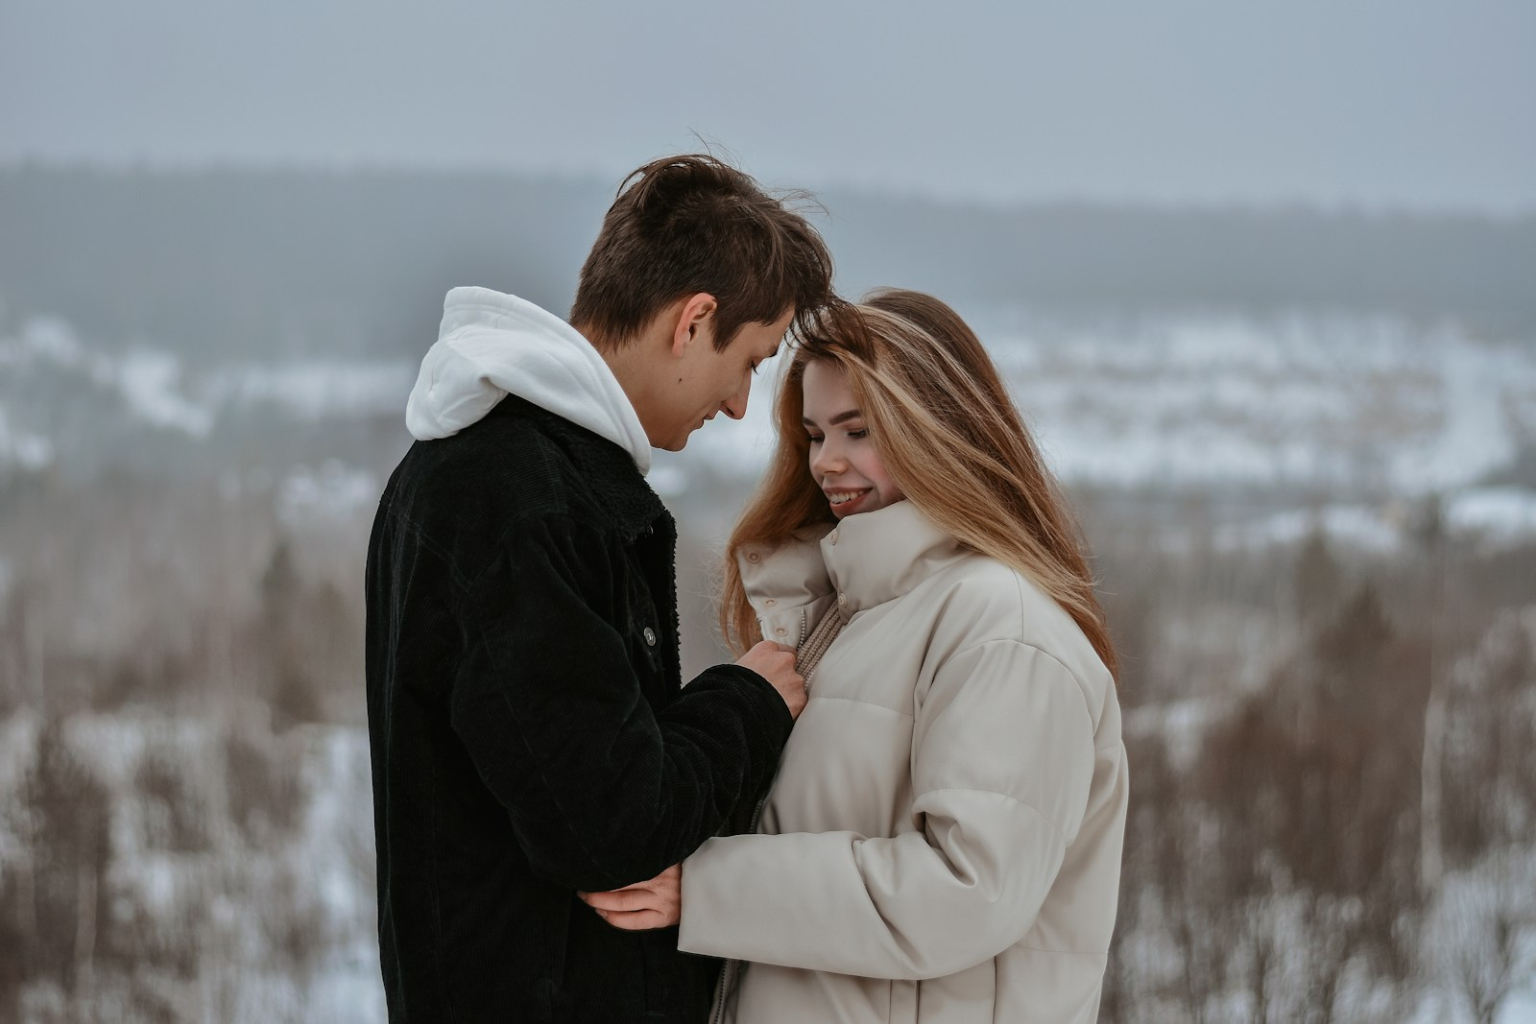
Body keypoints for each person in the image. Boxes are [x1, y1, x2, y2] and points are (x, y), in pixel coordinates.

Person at [364, 154, 835, 1023]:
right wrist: (748, 704)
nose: (738, 407)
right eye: (752, 361)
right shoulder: (510, 496)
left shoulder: (521, 475)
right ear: (694, 322)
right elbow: (607, 827)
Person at [581, 291, 1129, 1023]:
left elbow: (968, 892)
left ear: (937, 427)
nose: (827, 463)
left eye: (857, 431)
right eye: (813, 435)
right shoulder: (841, 617)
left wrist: (709, 889)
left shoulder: (1005, 629)